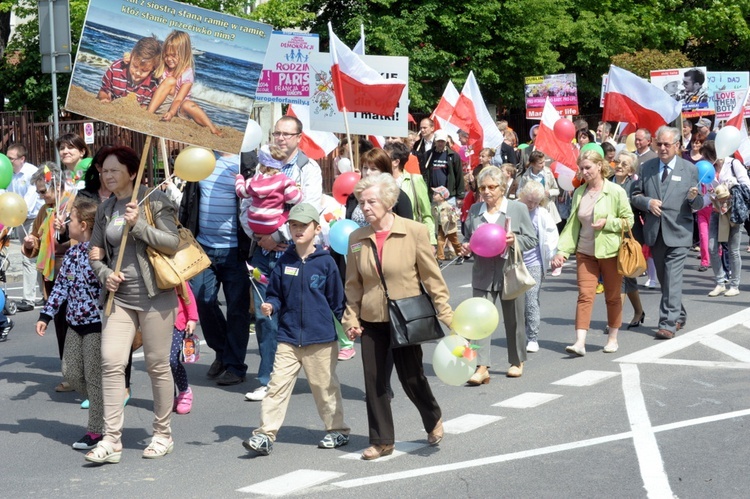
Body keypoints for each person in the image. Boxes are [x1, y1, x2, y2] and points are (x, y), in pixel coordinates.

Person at [343, 173, 453, 460]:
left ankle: (432, 416)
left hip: (406, 317)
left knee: (412, 377)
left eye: (371, 201)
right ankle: (381, 441)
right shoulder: (357, 238)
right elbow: (353, 283)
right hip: (372, 319)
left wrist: (445, 311)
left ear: (389, 202)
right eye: (361, 202)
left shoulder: (413, 231)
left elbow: (432, 277)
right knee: (375, 380)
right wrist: (351, 319)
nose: (365, 207)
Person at [86, 146, 179, 464]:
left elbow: (172, 243)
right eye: (103, 171)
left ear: (131, 171)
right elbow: (94, 251)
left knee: (157, 365)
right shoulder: (105, 208)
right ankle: (111, 440)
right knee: (111, 362)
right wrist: (104, 274)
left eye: (113, 170)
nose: (107, 176)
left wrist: (138, 225)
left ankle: (162, 434)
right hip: (119, 299)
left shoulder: (154, 200)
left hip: (156, 297)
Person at [243, 203, 349, 456]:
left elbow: (337, 302)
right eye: (294, 225)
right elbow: (275, 294)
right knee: (276, 387)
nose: (298, 230)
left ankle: (337, 431)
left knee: (325, 388)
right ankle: (264, 435)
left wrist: (349, 327)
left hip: (320, 339)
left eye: (304, 225)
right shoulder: (284, 261)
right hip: (288, 338)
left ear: (316, 228)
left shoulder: (326, 263)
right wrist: (271, 305)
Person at [243, 115, 323, 401]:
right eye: (277, 133)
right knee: (266, 316)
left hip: (293, 253)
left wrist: (277, 236)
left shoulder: (307, 168)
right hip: (262, 255)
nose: (280, 138)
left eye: (287, 134)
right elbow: (246, 203)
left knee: (297, 316)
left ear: (298, 138)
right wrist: (256, 235)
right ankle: (268, 380)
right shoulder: (262, 165)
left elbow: (309, 210)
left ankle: (312, 373)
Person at [35, 199, 103, 450]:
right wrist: (45, 315)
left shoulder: (101, 252)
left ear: (83, 225)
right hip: (74, 323)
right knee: (71, 372)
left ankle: (96, 431)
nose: (66, 224)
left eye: (71, 220)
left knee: (94, 378)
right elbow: (61, 287)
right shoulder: (73, 253)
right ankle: (104, 407)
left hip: (97, 324)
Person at [180, 151, 252, 388]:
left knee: (237, 310)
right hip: (203, 248)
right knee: (203, 300)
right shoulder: (200, 156)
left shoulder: (245, 161)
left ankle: (235, 367)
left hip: (235, 250)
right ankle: (222, 352)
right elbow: (189, 200)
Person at [552, 150, 634, 355]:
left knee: (613, 296)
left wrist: (608, 223)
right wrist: (562, 251)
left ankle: (613, 338)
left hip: (610, 252)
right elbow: (572, 225)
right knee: (585, 296)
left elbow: (629, 221)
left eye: (588, 167)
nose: (584, 171)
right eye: (581, 168)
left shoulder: (615, 191)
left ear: (600, 166)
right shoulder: (579, 192)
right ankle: (580, 342)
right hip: (585, 252)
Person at [461, 166, 538, 382]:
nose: (486, 191)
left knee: (514, 319)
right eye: (482, 187)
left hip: (509, 272)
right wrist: (466, 247)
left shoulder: (517, 208)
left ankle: (516, 361)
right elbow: (469, 238)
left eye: (491, 187)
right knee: (479, 320)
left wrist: (516, 241)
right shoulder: (476, 210)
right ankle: (481, 366)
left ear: (502, 188)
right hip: (482, 273)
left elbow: (532, 239)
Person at [631, 126, 703, 340]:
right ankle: (679, 313)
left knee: (672, 277)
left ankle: (667, 323)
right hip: (655, 233)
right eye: (659, 144)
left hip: (679, 232)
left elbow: (698, 204)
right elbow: (635, 196)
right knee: (665, 279)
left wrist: (693, 198)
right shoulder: (647, 168)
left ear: (677, 146)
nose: (662, 148)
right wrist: (647, 202)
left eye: (667, 144)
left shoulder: (689, 169)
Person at [23, 162, 72, 391]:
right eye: (38, 191)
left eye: (43, 191)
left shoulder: (73, 203)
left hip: (73, 274)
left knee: (79, 325)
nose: (40, 196)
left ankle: (87, 373)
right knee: (61, 324)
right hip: (52, 274)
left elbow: (85, 237)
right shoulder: (44, 210)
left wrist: (63, 235)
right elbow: (35, 238)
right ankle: (71, 374)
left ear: (57, 185)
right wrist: (30, 243)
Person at [146, 30, 222, 135]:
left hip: (177, 109)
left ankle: (213, 128)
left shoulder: (187, 74)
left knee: (188, 104)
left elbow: (179, 99)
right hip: (161, 105)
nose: (168, 59)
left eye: (173, 55)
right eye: (166, 55)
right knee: (170, 81)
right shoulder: (163, 65)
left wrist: (172, 113)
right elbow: (147, 62)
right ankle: (148, 114)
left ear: (183, 54)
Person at [701, 140, 749, 297]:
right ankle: (720, 282)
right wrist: (695, 203)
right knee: (712, 247)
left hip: (733, 211)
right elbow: (708, 195)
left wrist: (729, 190)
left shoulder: (733, 164)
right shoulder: (709, 170)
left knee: (733, 249)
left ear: (714, 155)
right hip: (717, 211)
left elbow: (747, 186)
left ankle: (735, 284)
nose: (705, 161)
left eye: (706, 157)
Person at [517, 180, 559, 353]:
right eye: (529, 201)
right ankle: (520, 332)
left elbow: (550, 236)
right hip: (515, 262)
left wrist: (552, 256)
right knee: (518, 302)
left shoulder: (541, 214)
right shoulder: (513, 209)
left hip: (534, 262)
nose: (532, 205)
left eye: (536, 202)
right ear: (522, 196)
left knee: (531, 300)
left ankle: (532, 337)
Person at [6, 143, 43, 312]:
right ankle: (46, 295)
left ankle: (28, 300)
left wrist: (16, 213)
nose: (7, 161)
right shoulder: (7, 173)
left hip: (34, 219)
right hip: (18, 218)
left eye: (11, 158)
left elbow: (30, 199)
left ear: (22, 159)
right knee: (36, 258)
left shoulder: (31, 173)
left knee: (28, 257)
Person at [235, 144, 303, 236]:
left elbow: (240, 192)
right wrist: (297, 189)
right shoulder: (284, 181)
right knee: (291, 214)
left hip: (253, 223)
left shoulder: (253, 180)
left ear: (262, 165)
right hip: (272, 225)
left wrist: (239, 178)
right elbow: (294, 199)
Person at [611, 151, 646, 328]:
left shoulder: (635, 186)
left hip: (629, 235)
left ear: (631, 170)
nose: (619, 165)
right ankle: (639, 311)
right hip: (609, 234)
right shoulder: (607, 182)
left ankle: (615, 319)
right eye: (617, 161)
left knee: (622, 275)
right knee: (627, 276)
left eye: (624, 164)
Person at [383, 141, 435, 247]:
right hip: (385, 238)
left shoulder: (414, 180)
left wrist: (431, 242)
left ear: (396, 162)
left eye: (385, 157)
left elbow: (426, 214)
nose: (381, 160)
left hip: (410, 238)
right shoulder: (379, 181)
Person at [98, 35, 161, 107]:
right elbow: (103, 90)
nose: (137, 73)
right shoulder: (116, 68)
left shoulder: (152, 84)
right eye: (135, 66)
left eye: (144, 70)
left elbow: (144, 107)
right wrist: (104, 98)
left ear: (153, 68)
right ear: (131, 57)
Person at [171, 283, 198, 415]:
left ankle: (184, 390)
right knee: (159, 363)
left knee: (172, 360)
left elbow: (187, 294)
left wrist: (192, 318)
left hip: (177, 322)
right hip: (155, 322)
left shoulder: (174, 271)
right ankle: (169, 396)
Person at [517, 150, 561, 225]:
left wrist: (549, 192)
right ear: (533, 164)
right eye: (540, 163)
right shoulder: (526, 176)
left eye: (544, 161)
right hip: (532, 210)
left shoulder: (548, 173)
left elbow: (557, 190)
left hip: (547, 208)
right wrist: (527, 196)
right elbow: (519, 192)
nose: (543, 164)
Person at [422, 129, 465, 206]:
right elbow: (424, 174)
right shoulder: (428, 155)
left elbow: (459, 176)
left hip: (449, 197)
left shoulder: (453, 156)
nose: (440, 144)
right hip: (433, 196)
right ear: (435, 141)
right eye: (438, 141)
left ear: (446, 141)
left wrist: (460, 196)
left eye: (442, 141)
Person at [432, 186, 462, 262]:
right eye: (434, 193)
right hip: (440, 227)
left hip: (450, 228)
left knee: (455, 242)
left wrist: (452, 217)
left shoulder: (448, 206)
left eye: (436, 194)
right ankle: (440, 258)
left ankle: (460, 254)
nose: (433, 195)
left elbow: (455, 216)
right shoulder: (434, 207)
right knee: (440, 242)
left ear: (442, 197)